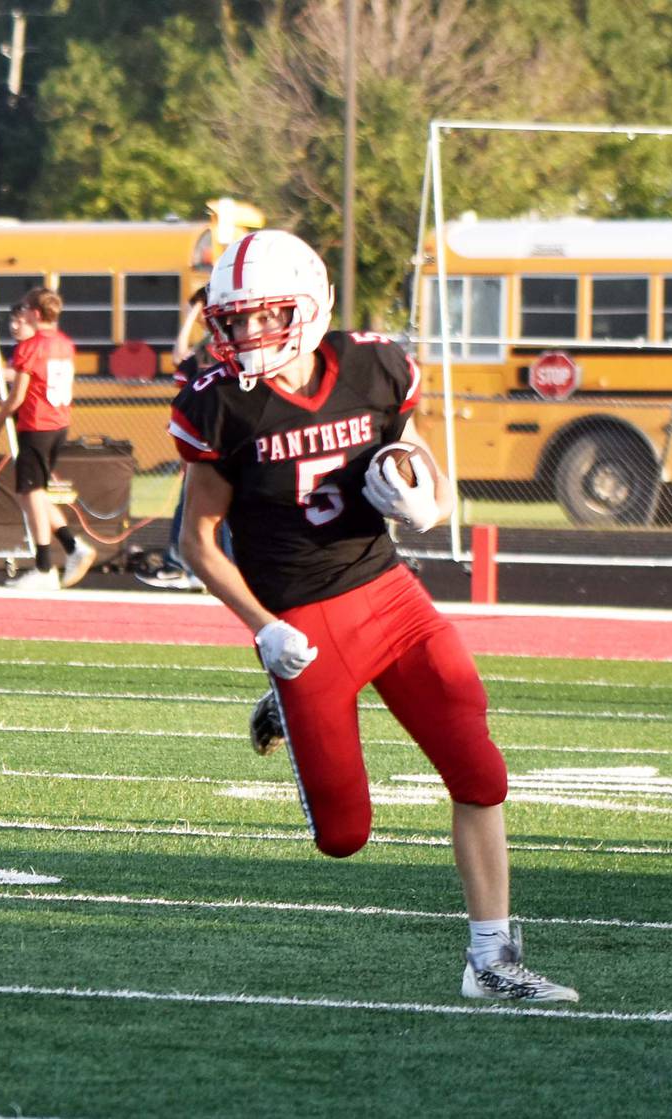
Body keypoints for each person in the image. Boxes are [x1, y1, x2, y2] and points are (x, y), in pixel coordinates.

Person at [171, 230, 578, 1003]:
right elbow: (197, 544)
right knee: (343, 835)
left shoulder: (373, 366)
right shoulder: (218, 403)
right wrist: (265, 627)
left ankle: (491, 960)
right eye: (236, 320)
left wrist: (428, 499)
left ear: (311, 302)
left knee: (480, 768)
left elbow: (423, 466)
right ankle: (289, 700)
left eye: (266, 316)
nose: (248, 334)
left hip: (388, 591)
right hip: (302, 616)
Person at [0, 287, 96, 590]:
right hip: (58, 422)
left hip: (37, 424)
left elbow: (19, 395)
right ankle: (72, 547)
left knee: (31, 495)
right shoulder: (64, 344)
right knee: (33, 493)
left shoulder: (31, 346)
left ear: (35, 312)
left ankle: (44, 567)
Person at [138, 285, 211, 591]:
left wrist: (195, 311)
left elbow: (179, 355)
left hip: (213, 435)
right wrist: (194, 311)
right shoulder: (211, 344)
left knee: (199, 504)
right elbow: (181, 358)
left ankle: (184, 566)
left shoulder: (222, 342)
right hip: (205, 434)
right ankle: (189, 567)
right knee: (198, 504)